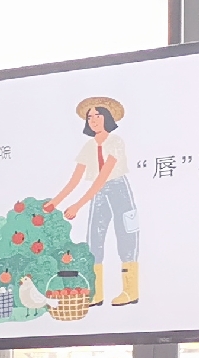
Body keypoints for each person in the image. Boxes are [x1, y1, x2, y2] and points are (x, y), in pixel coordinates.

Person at [45, 98, 139, 307]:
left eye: (98, 115)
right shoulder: (88, 146)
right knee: (94, 240)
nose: (94, 120)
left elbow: (103, 175)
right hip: (99, 194)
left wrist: (77, 205)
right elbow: (75, 179)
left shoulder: (115, 142)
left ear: (108, 118)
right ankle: (96, 293)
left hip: (119, 189)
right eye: (90, 117)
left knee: (126, 237)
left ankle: (130, 291)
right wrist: (54, 203)